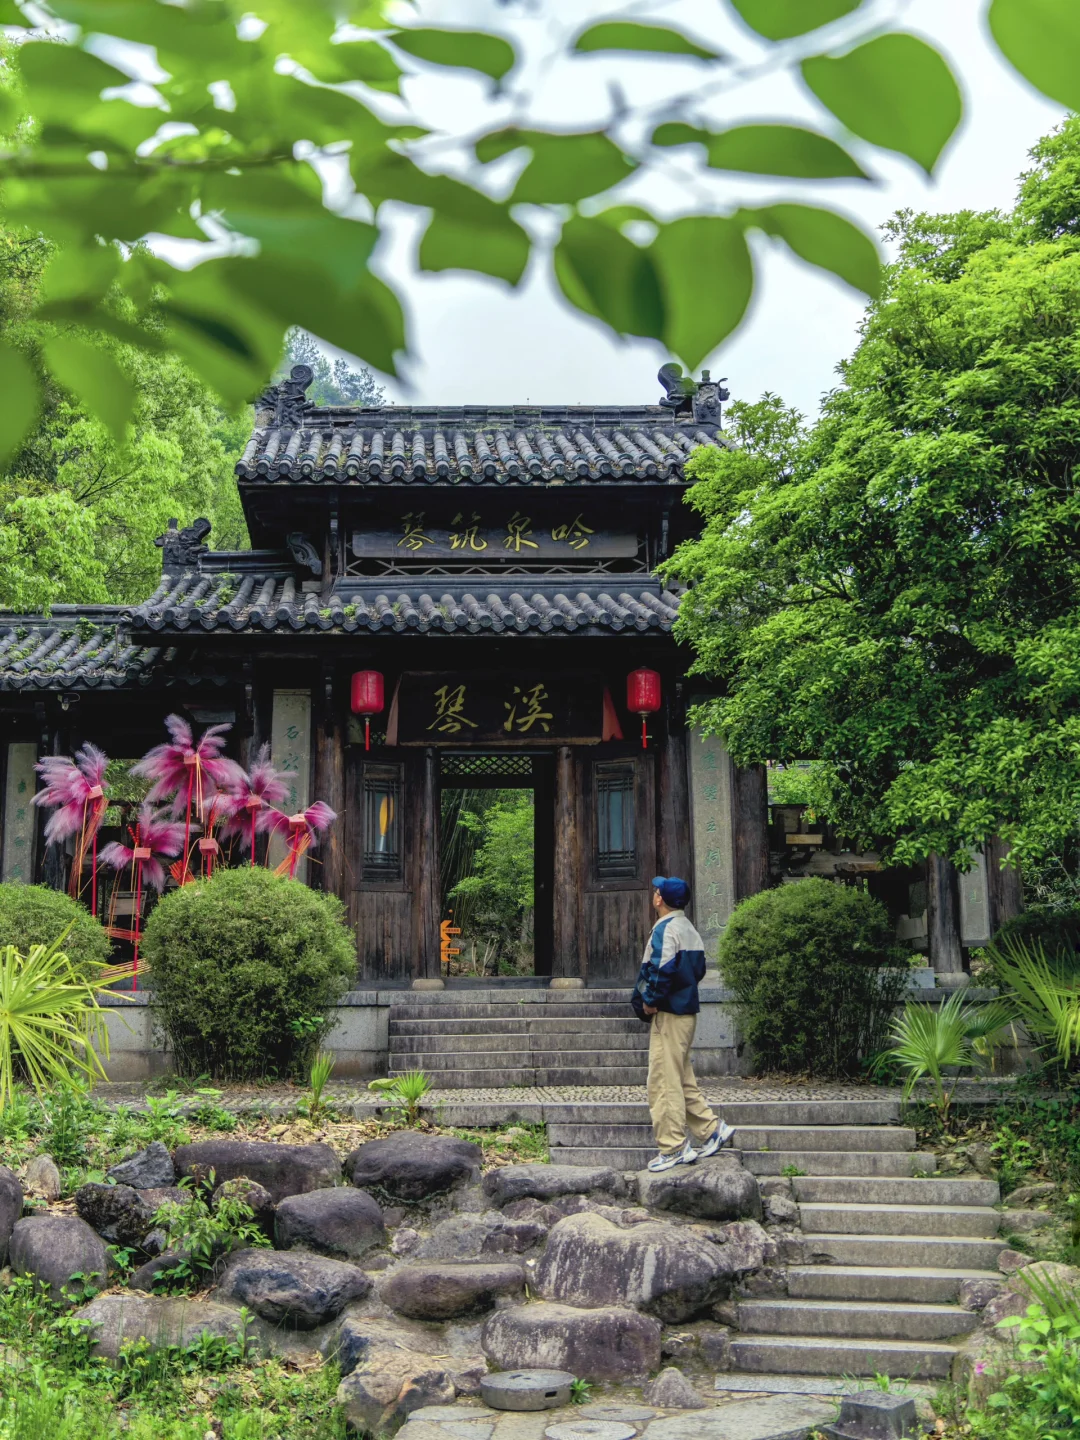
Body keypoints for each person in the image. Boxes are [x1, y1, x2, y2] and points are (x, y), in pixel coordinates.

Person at [633, 876, 734, 1172]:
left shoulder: (666, 929)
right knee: (680, 1076)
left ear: (660, 899)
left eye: (656, 890)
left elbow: (660, 969)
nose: (654, 893)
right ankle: (712, 1129)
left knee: (663, 1081)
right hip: (686, 1010)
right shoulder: (689, 928)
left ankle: (673, 1146)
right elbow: (699, 970)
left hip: (669, 1013)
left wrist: (650, 1000)